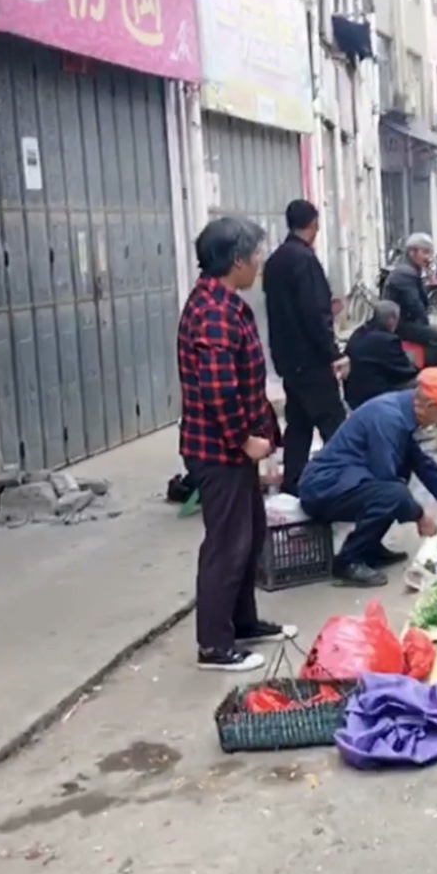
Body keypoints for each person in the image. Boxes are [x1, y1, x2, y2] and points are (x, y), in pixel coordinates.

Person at [177, 217, 296, 672]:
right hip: (217, 449)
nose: (260, 262)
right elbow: (217, 389)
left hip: (233, 447)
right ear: (236, 260)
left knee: (249, 537)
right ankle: (214, 645)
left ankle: (243, 622)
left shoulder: (227, 303)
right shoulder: (212, 312)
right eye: (256, 254)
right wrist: (243, 439)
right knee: (226, 544)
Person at [297, 369, 437, 586]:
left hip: (346, 481)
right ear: (430, 406)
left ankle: (369, 547)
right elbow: (385, 476)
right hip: (323, 488)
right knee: (392, 493)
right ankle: (348, 562)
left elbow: (420, 461)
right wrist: (419, 516)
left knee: (397, 483)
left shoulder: (402, 410)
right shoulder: (388, 419)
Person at [264, 199, 348, 497]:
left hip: (288, 360)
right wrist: (333, 353)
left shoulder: (275, 262)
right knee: (334, 423)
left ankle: (293, 484)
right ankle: (348, 481)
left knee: (298, 424)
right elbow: (314, 314)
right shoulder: (305, 260)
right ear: (313, 225)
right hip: (311, 359)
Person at [382, 232, 437, 368]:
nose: (428, 258)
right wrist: (425, 325)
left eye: (430, 253)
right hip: (400, 324)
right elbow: (415, 304)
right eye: (425, 253)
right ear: (412, 253)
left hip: (401, 321)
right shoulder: (405, 273)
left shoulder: (409, 271)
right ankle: (432, 374)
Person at [342, 300, 420, 409]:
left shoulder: (358, 332)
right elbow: (406, 372)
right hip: (374, 397)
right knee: (422, 383)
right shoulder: (388, 340)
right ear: (391, 320)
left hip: (353, 397)